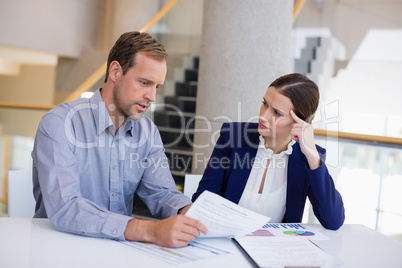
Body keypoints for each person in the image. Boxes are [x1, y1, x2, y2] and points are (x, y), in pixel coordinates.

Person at [32, 31, 207, 248]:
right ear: (115, 71)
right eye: (144, 82)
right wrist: (149, 230)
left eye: (157, 87)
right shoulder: (59, 124)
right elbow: (65, 207)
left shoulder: (147, 132)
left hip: (116, 250)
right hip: (58, 249)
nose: (152, 97)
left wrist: (187, 212)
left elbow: (160, 192)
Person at [192, 73, 345, 230]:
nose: (263, 116)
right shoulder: (233, 136)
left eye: (277, 113)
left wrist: (312, 156)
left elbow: (333, 221)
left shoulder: (308, 157)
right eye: (265, 104)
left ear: (299, 122)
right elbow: (203, 201)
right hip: (227, 239)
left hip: (274, 249)